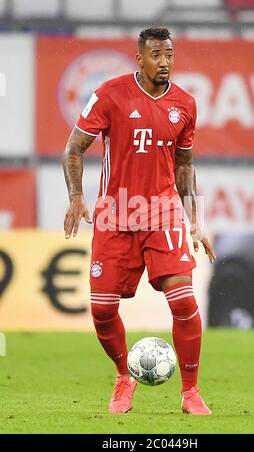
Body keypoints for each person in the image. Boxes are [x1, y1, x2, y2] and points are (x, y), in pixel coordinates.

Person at [63, 27, 216, 415]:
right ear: (140, 59)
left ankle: (191, 392)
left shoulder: (185, 104)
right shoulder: (109, 94)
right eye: (156, 56)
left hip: (162, 213)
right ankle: (123, 376)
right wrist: (77, 197)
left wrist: (194, 219)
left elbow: (184, 165)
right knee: (101, 309)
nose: (164, 62)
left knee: (183, 300)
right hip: (116, 214)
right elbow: (73, 149)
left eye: (169, 55)